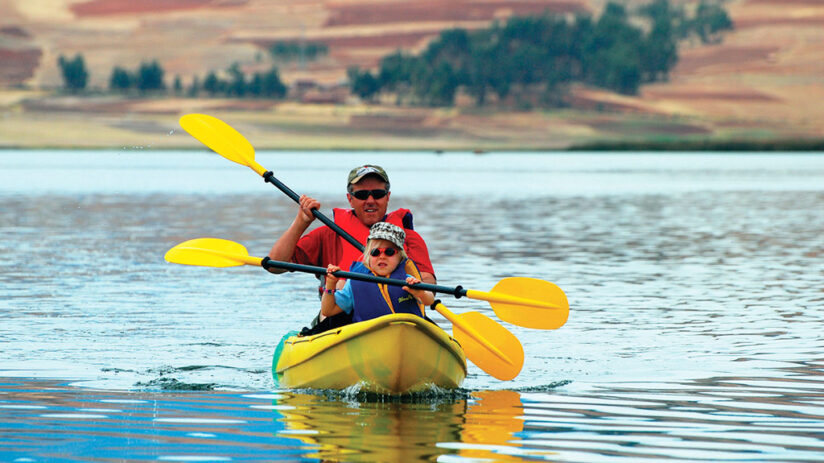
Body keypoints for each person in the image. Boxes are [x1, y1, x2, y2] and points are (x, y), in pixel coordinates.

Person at [267, 165, 435, 330]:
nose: (370, 200)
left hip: (400, 318)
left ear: (387, 196)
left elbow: (429, 283)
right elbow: (275, 265)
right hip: (339, 318)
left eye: (378, 194)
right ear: (350, 198)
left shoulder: (409, 238)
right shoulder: (328, 234)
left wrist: (417, 289)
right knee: (340, 285)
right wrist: (301, 221)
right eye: (362, 195)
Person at [322, 222, 435, 322]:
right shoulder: (355, 282)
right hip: (368, 336)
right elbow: (328, 310)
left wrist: (421, 293)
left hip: (406, 332)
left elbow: (429, 300)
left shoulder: (408, 280)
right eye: (375, 252)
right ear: (368, 256)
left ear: (400, 257)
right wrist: (330, 284)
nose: (382, 256)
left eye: (389, 252)